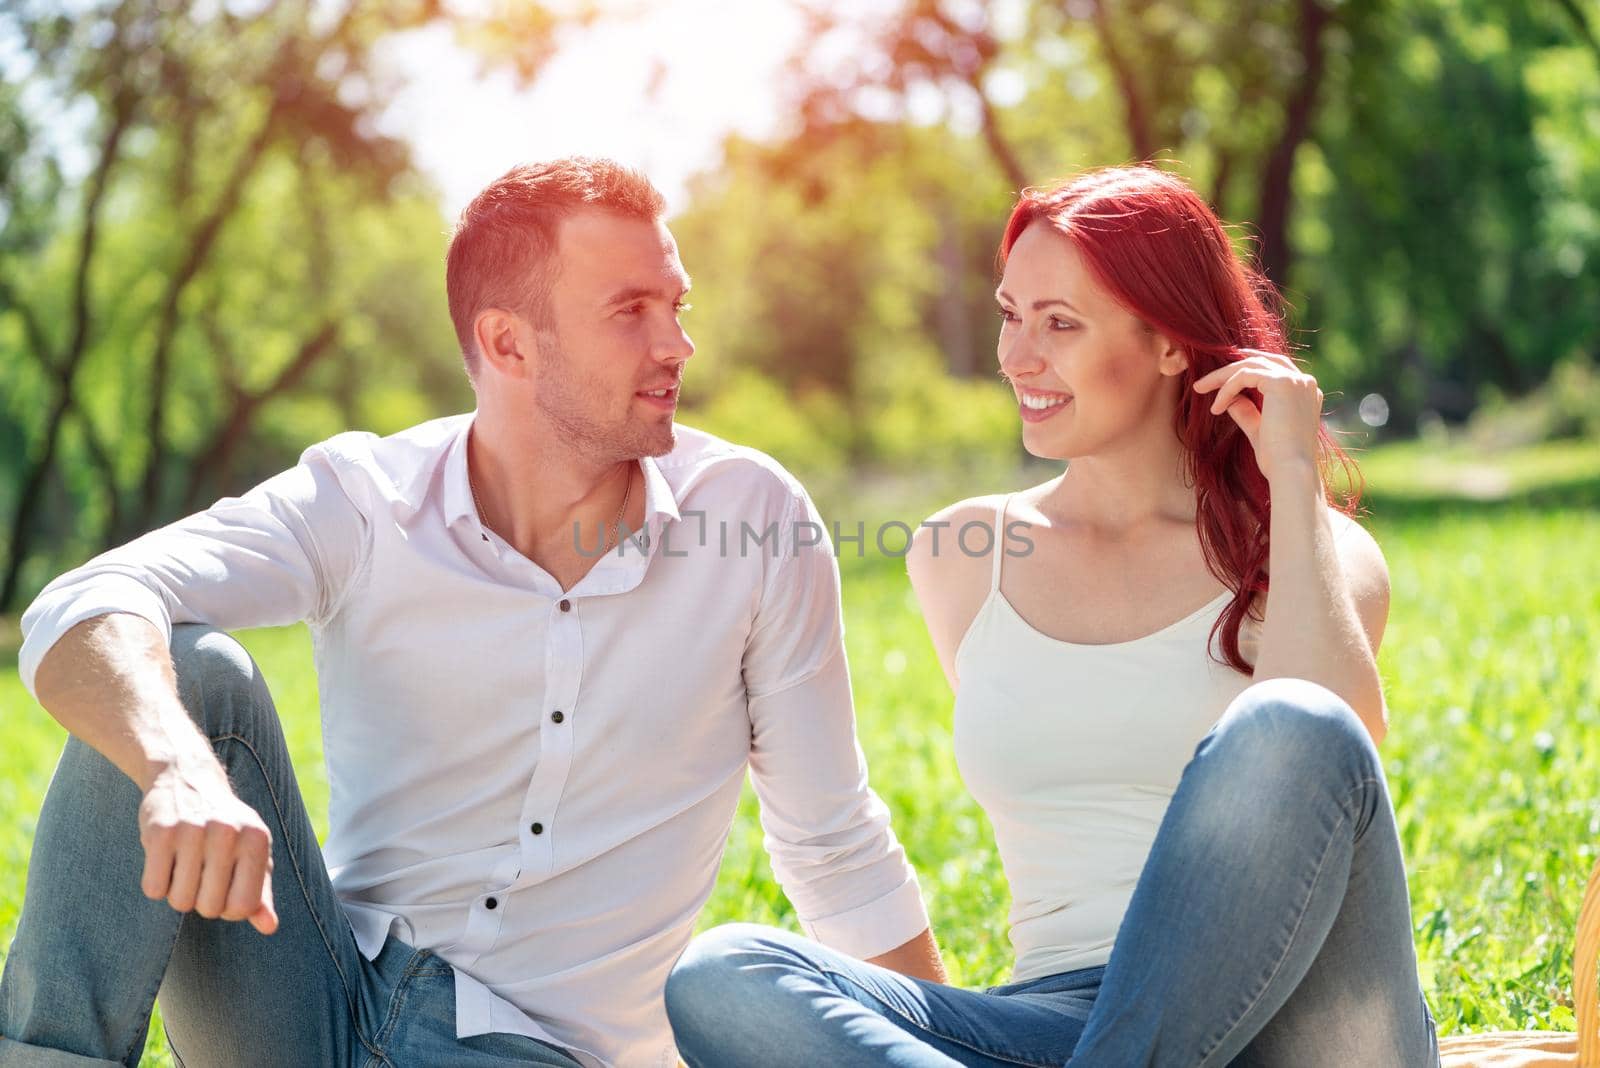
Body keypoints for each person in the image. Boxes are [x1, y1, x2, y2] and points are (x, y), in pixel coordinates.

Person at [0, 157, 944, 1068]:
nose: (677, 345)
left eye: (676, 306)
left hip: (555, 1052)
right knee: (192, 674)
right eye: (631, 312)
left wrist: (947, 1047)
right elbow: (84, 602)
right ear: (507, 343)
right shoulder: (368, 499)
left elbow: (832, 843)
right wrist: (178, 773)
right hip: (317, 1011)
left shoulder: (752, 518)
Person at [664, 165, 1441, 1067]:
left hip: (1305, 1016)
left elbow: (1338, 746)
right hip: (1062, 1018)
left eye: (1060, 324)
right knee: (726, 974)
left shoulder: (1308, 550)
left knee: (1295, 723)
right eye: (1009, 314)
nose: (1016, 357)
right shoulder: (962, 558)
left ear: (1171, 345)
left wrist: (1293, 477)